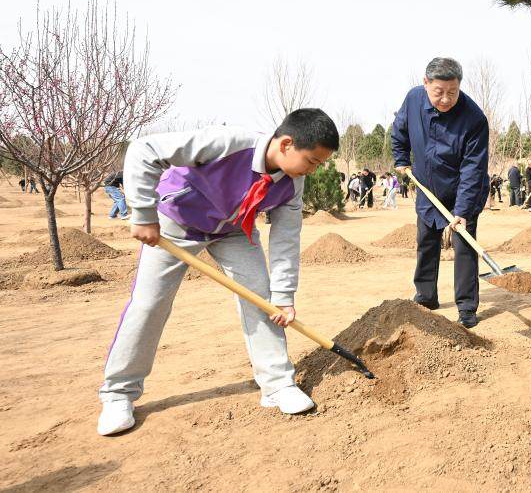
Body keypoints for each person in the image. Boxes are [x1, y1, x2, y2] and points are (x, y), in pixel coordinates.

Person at [97, 108, 339, 436]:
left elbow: (285, 241)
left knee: (262, 300)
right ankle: (118, 394)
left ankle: (278, 385)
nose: (313, 170)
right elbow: (145, 149)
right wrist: (142, 212)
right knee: (149, 303)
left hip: (233, 231)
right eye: (312, 161)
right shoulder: (227, 142)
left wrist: (283, 297)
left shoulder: (292, 185)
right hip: (176, 221)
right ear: (285, 145)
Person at [392, 57, 489, 329]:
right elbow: (399, 131)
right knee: (426, 242)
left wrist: (463, 211)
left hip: (463, 189)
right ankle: (426, 297)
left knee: (465, 247)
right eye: (439, 92)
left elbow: (473, 168)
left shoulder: (474, 118)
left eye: (452, 92)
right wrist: (401, 158)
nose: (446, 99)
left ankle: (467, 308)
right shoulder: (413, 100)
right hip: (427, 187)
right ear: (426, 84)